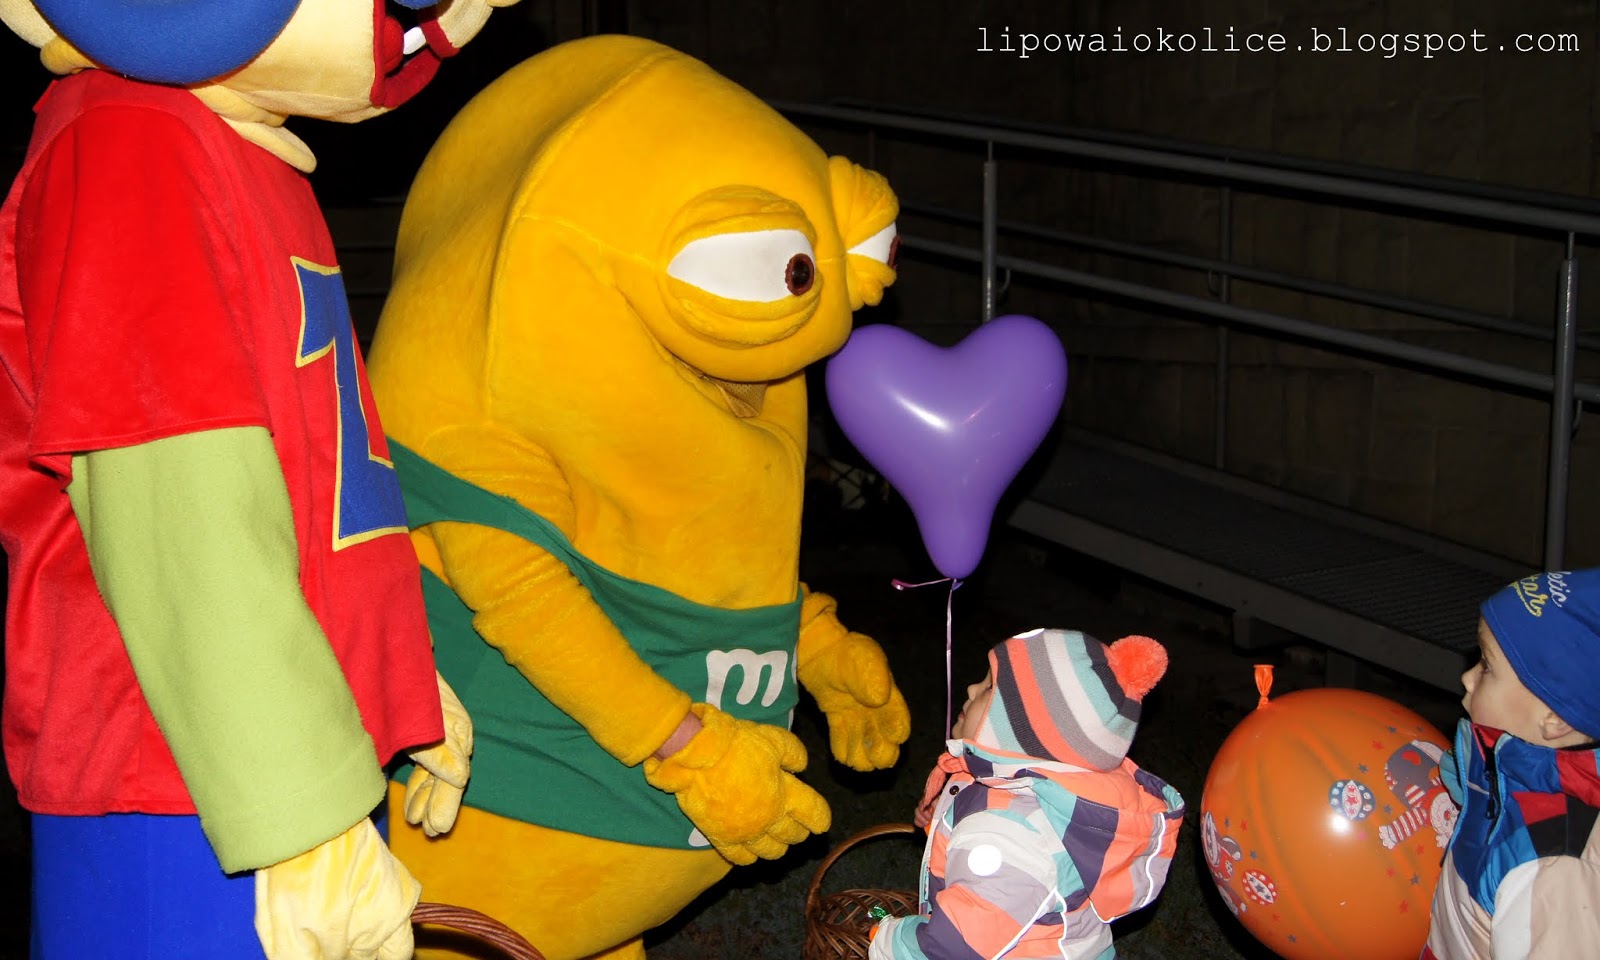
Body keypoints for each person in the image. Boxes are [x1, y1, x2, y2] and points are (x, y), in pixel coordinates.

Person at [0, 0, 512, 956]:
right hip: (187, 780)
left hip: (264, 760)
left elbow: (310, 476)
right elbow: (181, 508)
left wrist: (393, 677)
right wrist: (300, 814)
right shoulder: (131, 138)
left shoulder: (229, 144)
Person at [872, 627, 1185, 959]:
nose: (971, 688)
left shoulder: (1009, 837)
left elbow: (954, 948)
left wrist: (887, 940)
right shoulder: (1038, 791)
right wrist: (946, 818)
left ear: (1024, 728)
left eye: (989, 686)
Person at [1424, 569, 1600, 959]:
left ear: (1555, 718)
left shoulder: (1553, 867)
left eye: (1486, 666)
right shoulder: (1500, 777)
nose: (1467, 677)